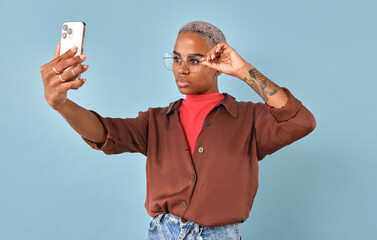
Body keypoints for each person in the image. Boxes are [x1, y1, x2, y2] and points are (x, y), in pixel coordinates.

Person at [40, 21, 316, 240]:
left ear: (218, 65)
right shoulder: (157, 121)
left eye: (194, 60)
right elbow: (105, 133)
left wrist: (244, 70)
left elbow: (300, 121)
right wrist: (61, 104)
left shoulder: (250, 118)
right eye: (175, 58)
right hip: (162, 233)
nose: (181, 69)